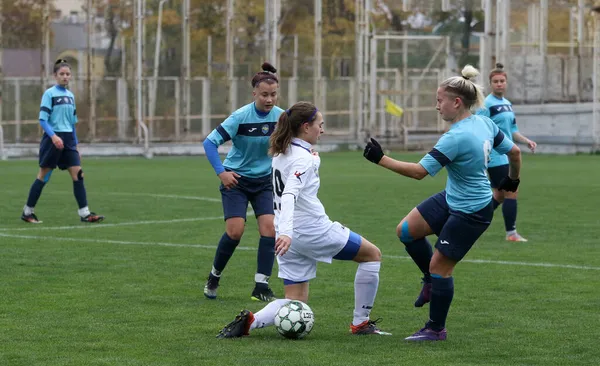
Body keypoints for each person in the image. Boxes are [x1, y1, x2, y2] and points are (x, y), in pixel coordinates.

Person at [363, 65, 522, 341]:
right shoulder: (483, 121)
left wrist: (380, 158)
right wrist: (513, 181)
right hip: (452, 197)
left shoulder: (456, 137)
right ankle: (429, 281)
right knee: (406, 231)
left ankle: (436, 329)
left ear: (456, 102)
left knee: (441, 268)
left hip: (472, 210)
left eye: (440, 101)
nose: (437, 107)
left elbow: (418, 173)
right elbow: (515, 152)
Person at [216, 101, 390, 338]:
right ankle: (361, 323)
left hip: (287, 237)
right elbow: (289, 195)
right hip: (310, 230)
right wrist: (287, 231)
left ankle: (251, 321)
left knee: (294, 300)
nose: (323, 130)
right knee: (372, 255)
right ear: (306, 127)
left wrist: (285, 233)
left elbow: (299, 170)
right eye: (320, 125)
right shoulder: (302, 158)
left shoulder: (282, 153)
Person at [202, 62, 283, 302]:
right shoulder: (240, 117)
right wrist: (222, 173)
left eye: (274, 94)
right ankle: (214, 276)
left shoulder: (282, 117)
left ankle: (261, 285)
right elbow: (209, 143)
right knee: (235, 232)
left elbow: (293, 140)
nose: (269, 100)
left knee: (269, 228)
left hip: (265, 181)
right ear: (254, 94)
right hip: (235, 179)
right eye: (265, 95)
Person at [21, 59, 104, 224]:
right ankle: (27, 211)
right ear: (55, 76)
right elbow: (43, 120)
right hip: (53, 140)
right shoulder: (49, 94)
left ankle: (85, 213)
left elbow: (72, 123)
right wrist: (53, 136)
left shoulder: (70, 96)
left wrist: (75, 145)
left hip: (68, 140)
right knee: (43, 176)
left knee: (78, 175)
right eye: (62, 74)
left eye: (68, 74)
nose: (65, 77)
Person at [477, 63, 537, 242]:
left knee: (499, 195)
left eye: (502, 80)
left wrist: (527, 141)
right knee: (511, 192)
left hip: (508, 154)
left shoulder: (507, 104)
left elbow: (512, 130)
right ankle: (511, 234)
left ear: (506, 82)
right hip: (496, 157)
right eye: (495, 81)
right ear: (490, 84)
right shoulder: (486, 104)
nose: (499, 84)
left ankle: (471, 222)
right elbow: (481, 129)